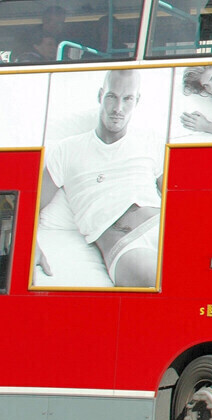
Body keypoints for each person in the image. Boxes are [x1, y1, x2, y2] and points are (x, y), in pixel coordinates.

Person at [38, 69, 163, 288]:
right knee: (166, 284)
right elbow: (28, 205)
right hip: (125, 245)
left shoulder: (150, 141)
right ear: (100, 95)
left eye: (127, 99)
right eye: (111, 97)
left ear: (137, 100)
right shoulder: (66, 150)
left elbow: (179, 197)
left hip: (160, 225)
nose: (118, 109)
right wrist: (27, 247)